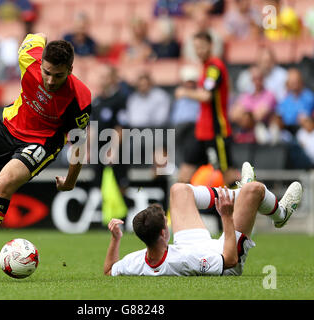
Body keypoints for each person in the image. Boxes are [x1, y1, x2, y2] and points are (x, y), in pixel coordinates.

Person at [0, 33, 92, 276]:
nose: (51, 80)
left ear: (70, 69)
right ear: (41, 62)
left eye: (59, 75)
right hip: (8, 128)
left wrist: (70, 181)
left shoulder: (80, 97)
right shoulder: (28, 56)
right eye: (46, 72)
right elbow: (36, 36)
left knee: (2, 187)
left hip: (42, 141)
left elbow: (78, 144)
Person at [104, 162, 303, 276]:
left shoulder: (137, 261)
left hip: (187, 245)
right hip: (224, 253)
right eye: (166, 221)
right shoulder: (184, 261)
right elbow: (230, 261)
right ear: (164, 233)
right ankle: (281, 214)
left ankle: (239, 193)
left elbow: (109, 270)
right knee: (255, 190)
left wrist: (116, 239)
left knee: (179, 190)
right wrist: (226, 217)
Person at [176, 32, 238, 186]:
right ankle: (176, 210)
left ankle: (246, 204)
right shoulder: (205, 67)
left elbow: (206, 96)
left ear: (211, 46)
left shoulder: (214, 67)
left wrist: (185, 92)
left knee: (228, 175)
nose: (199, 51)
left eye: (202, 47)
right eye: (196, 47)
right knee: (184, 174)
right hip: (201, 131)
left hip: (217, 131)